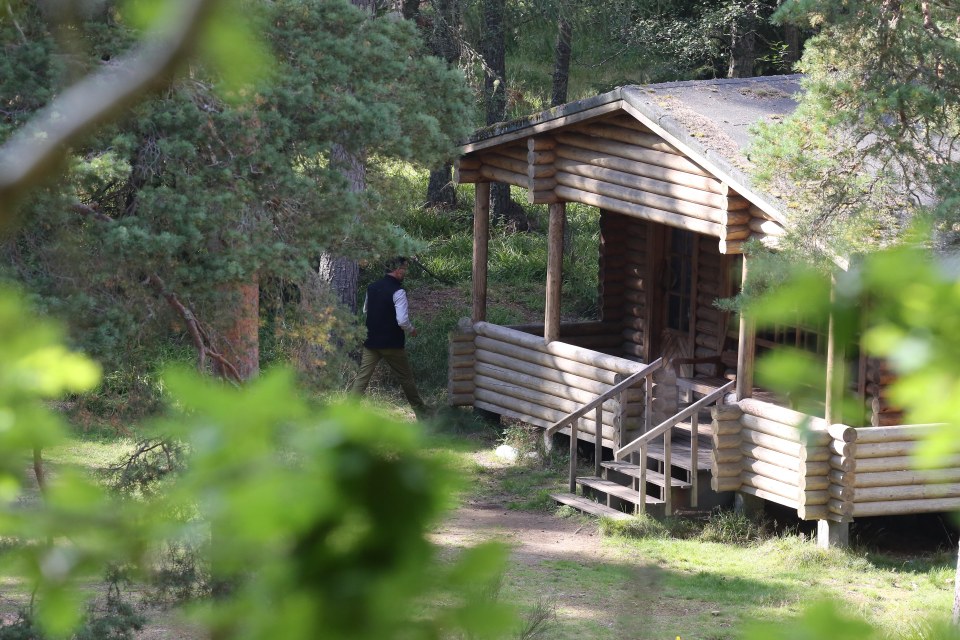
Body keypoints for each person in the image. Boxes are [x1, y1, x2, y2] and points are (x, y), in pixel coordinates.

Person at [350, 257, 428, 418]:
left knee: (362, 379)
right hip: (392, 344)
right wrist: (412, 330)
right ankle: (421, 413)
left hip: (371, 342)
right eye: (404, 269)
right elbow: (402, 321)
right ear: (397, 270)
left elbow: (366, 310)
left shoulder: (371, 288)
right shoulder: (398, 291)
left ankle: (346, 413)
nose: (405, 272)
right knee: (406, 379)